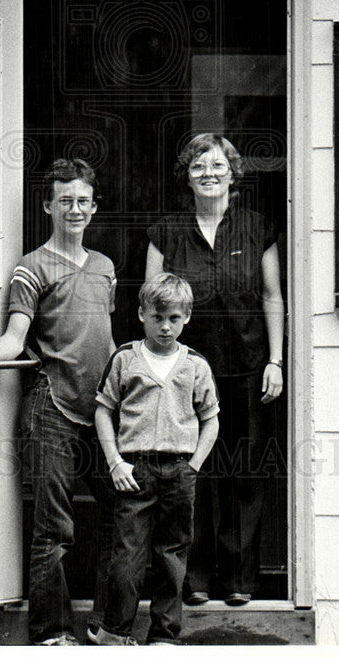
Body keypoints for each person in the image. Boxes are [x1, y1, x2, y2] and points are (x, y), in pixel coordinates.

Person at [0, 157, 116, 646]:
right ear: (47, 205)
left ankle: (107, 626)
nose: (74, 209)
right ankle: (53, 635)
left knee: (125, 511)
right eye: (65, 201)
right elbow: (16, 335)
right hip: (51, 404)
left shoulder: (104, 267)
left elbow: (105, 337)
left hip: (101, 410)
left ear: (94, 208)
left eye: (82, 201)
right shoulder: (30, 267)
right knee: (54, 528)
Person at [145, 133, 284, 606]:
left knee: (244, 471)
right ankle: (196, 577)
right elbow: (151, 299)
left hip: (247, 369)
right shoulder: (165, 231)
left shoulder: (257, 226)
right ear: (187, 175)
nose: (209, 173)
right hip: (185, 372)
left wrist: (276, 360)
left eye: (218, 165)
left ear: (232, 173)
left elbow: (271, 297)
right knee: (191, 470)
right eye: (199, 166)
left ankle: (241, 579)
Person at [93, 273, 219, 646]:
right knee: (127, 557)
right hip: (135, 470)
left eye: (174, 318)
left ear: (187, 317)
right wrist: (115, 461)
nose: (165, 327)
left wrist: (192, 465)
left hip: (179, 470)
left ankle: (164, 634)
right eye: (157, 317)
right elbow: (103, 410)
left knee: (171, 556)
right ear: (141, 314)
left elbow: (210, 419)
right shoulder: (126, 358)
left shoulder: (195, 365)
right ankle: (115, 633)